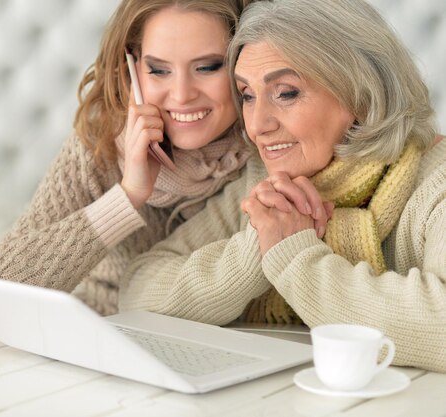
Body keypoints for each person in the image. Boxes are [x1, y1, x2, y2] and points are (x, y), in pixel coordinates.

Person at [119, 0, 445, 372]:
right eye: (247, 95)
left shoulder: (436, 179)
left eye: (286, 93)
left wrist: (293, 257)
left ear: (361, 92)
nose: (257, 125)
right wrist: (254, 253)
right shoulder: (264, 186)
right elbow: (137, 290)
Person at [0, 0, 297, 316]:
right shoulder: (100, 145)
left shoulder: (272, 143)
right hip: (107, 329)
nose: (182, 94)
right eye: (159, 70)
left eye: (208, 67)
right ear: (133, 68)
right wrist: (128, 196)